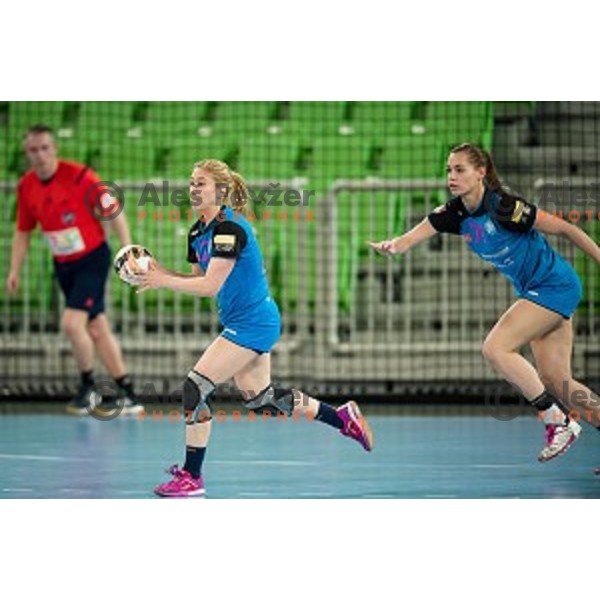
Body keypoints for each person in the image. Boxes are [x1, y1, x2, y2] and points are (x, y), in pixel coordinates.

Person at [134, 159, 373, 497]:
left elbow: (211, 287)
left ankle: (191, 476)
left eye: (200, 183)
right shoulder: (196, 231)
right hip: (241, 320)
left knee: (195, 388)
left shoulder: (230, 229)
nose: (193, 189)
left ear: (220, 190)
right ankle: (342, 418)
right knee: (263, 401)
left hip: (254, 321)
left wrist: (163, 281)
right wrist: (160, 274)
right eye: (191, 182)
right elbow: (199, 278)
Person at [369, 142, 600, 463]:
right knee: (557, 381)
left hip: (553, 285)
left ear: (481, 173)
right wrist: (391, 246)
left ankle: (557, 421)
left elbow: (565, 228)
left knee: (495, 348)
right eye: (449, 169)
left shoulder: (504, 206)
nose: (452, 176)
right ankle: (562, 414)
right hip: (536, 290)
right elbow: (408, 240)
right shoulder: (453, 213)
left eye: (460, 169)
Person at [6, 124, 144, 416]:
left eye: (45, 148)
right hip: (63, 264)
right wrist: (13, 270)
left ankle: (87, 387)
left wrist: (128, 250)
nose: (40, 155)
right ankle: (127, 391)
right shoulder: (26, 186)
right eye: (33, 150)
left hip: (92, 259)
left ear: (54, 149)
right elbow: (22, 232)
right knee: (97, 326)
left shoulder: (80, 177)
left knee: (72, 323)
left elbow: (114, 211)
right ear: (26, 153)